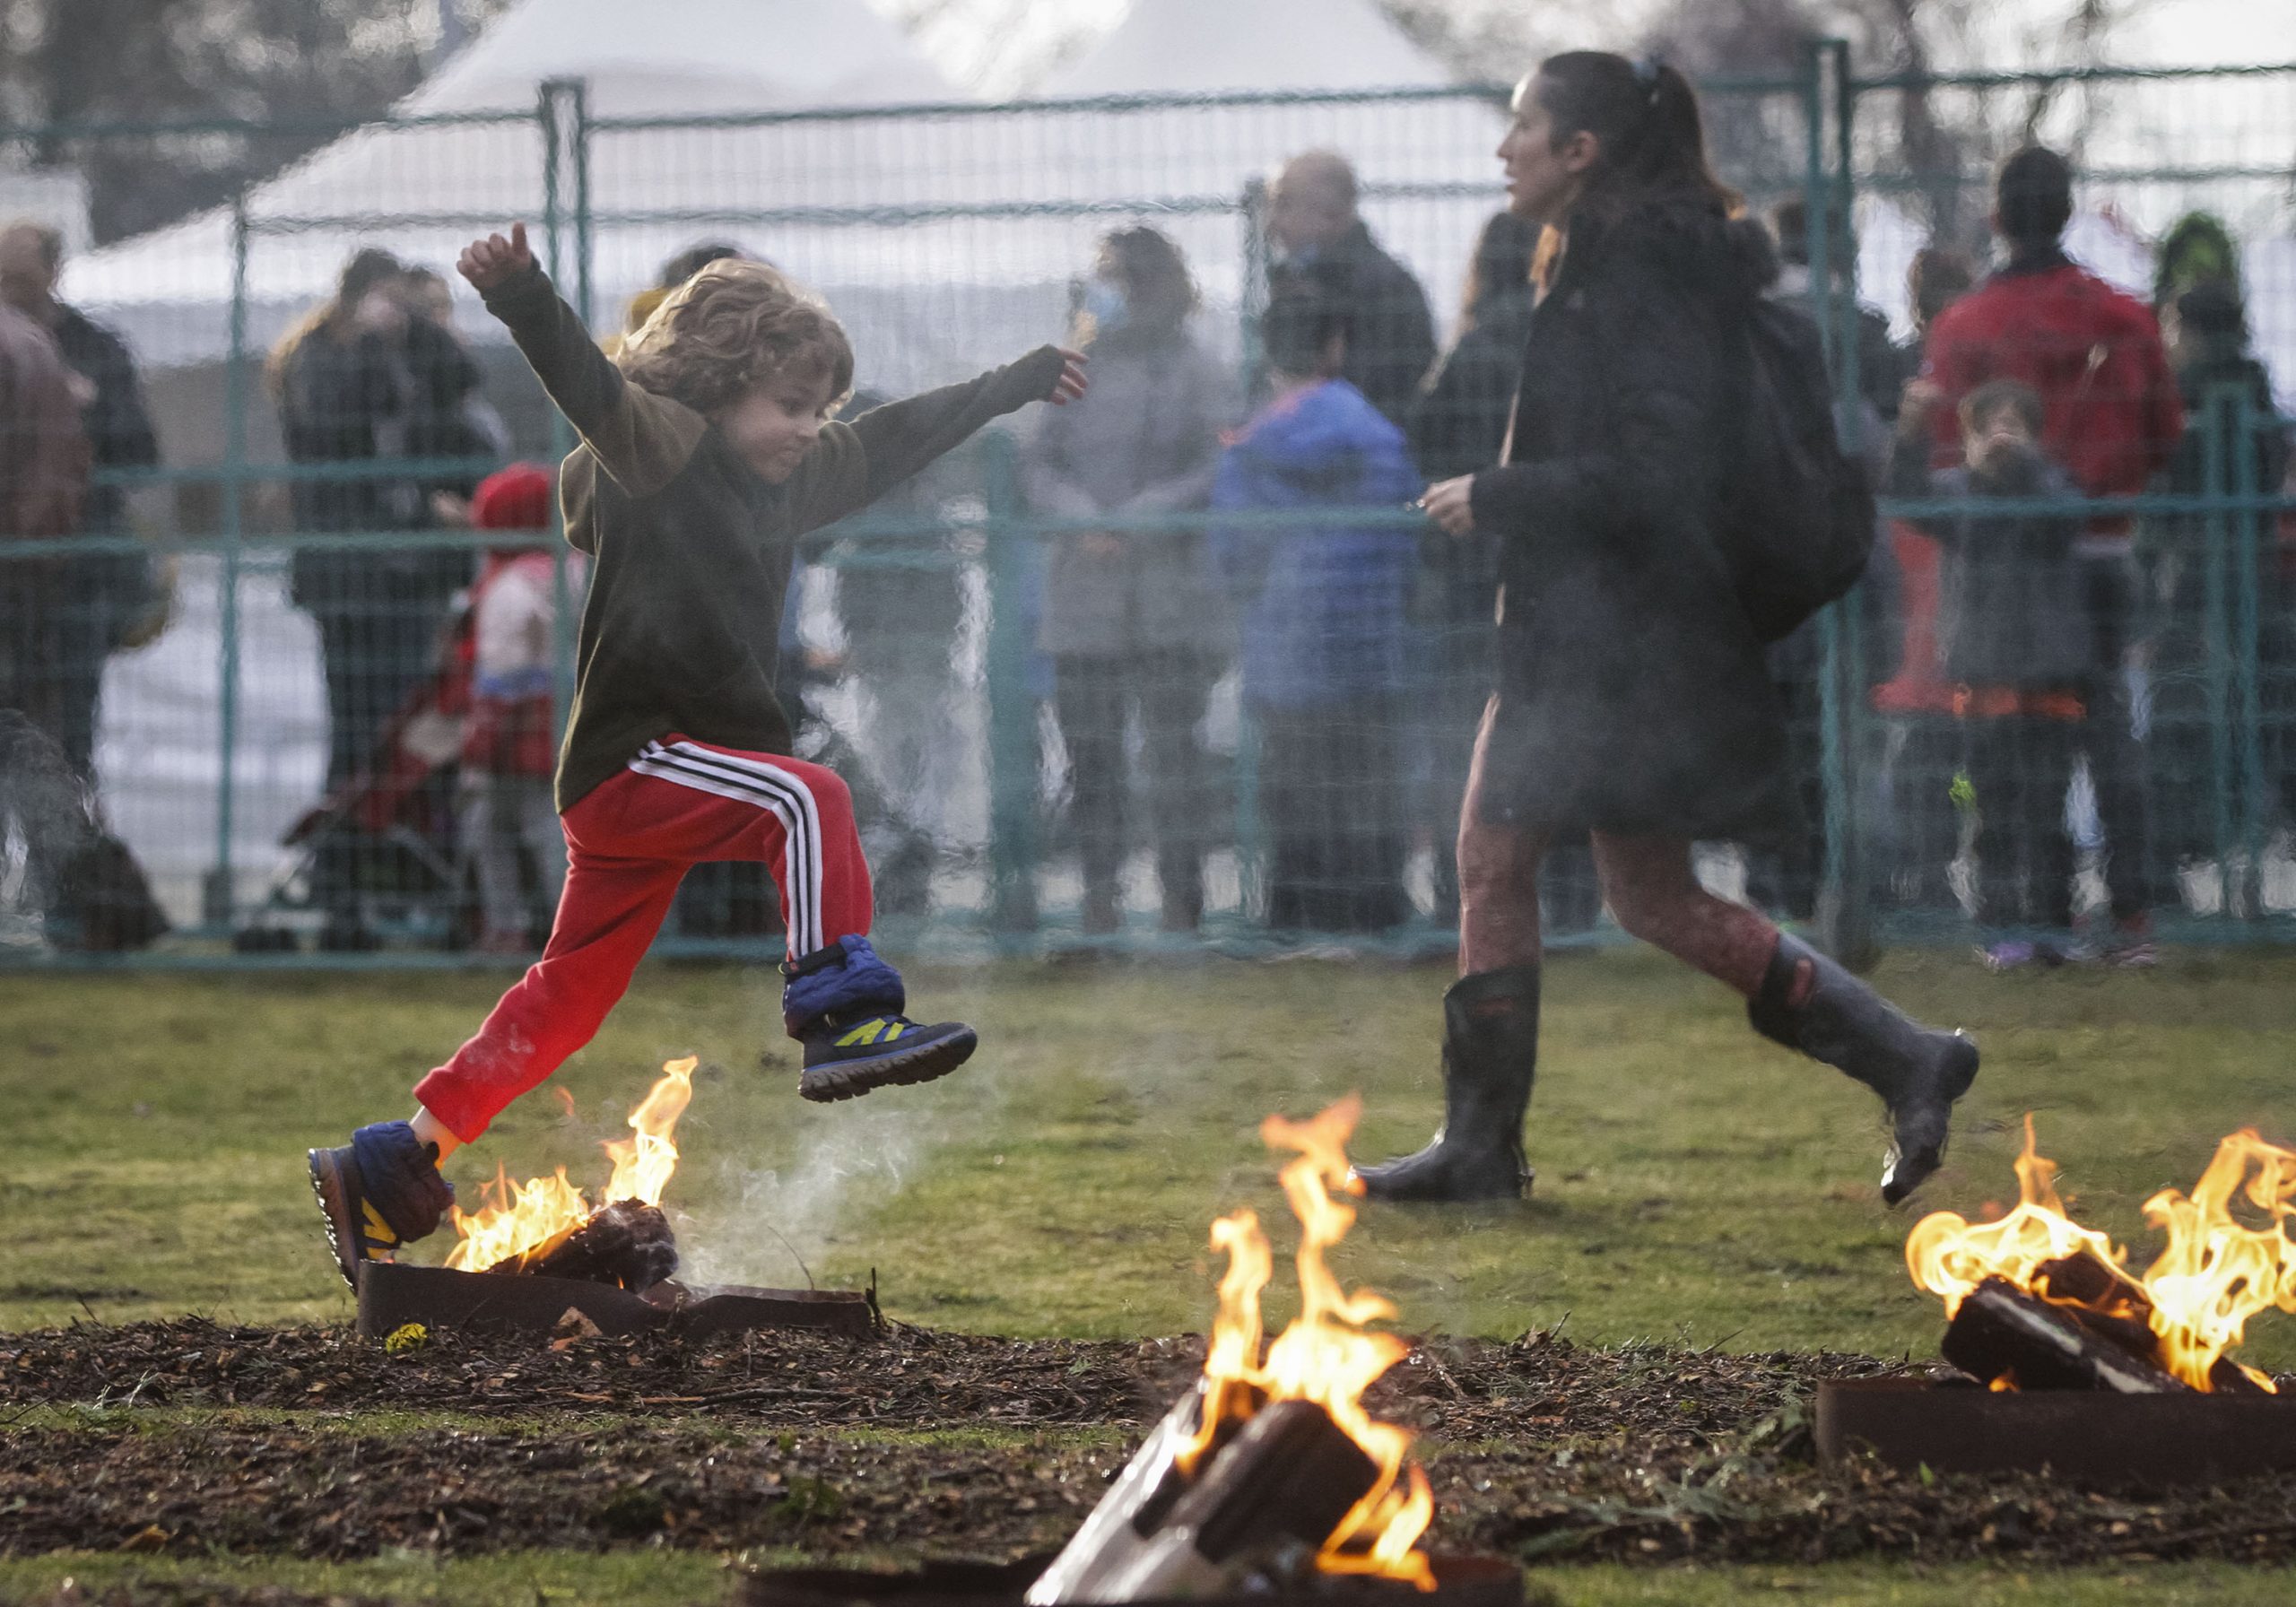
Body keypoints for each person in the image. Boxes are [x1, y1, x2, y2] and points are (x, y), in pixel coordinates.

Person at [305, 223, 1087, 1284]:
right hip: (641, 757)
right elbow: (593, 388)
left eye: (820, 409)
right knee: (807, 800)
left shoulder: (794, 475)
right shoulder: (659, 452)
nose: (808, 430)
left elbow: (901, 432)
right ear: (717, 392)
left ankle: (394, 1163)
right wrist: (522, 293)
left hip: (657, 779)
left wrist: (1015, 382)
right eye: (786, 408)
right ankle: (840, 1012)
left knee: (565, 1000)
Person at [1354, 51, 1977, 1207]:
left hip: (1620, 638)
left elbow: (1655, 473)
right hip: (1599, 630)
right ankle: (1901, 1055)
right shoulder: (1608, 253)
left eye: (1521, 127)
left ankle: (1488, 1146)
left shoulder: (1637, 264)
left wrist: (1501, 497)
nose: (1503, 149)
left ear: (1579, 152)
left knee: (1532, 867)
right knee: (1623, 889)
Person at [1920, 146, 2184, 960]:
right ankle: (2132, 912)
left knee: (2011, 758)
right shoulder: (2122, 316)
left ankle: (2030, 913)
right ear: (2067, 211)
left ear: (1997, 218)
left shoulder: (1964, 326)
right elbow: (2162, 434)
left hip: (2001, 574)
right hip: (2103, 549)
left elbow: (1938, 454)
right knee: (2112, 742)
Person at [272, 248, 487, 948]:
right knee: (358, 736)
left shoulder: (408, 355)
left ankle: (389, 886)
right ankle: (342, 891)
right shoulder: (316, 359)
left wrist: (417, 329)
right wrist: (365, 337)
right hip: (350, 581)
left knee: (403, 736)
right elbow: (335, 429)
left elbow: (461, 385)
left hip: (410, 573)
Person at [1024, 226, 1234, 934]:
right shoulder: (1070, 367)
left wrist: (1147, 515)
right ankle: (1100, 899)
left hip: (1172, 598)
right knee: (1093, 758)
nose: (1102, 291)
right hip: (1083, 597)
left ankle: (1184, 901)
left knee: (1176, 755)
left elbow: (1219, 462)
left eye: (1115, 277)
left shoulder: (1198, 369)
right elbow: (1037, 463)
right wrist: (1081, 515)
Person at [1406, 213, 1598, 936]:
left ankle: (1461, 903)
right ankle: (1576, 904)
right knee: (1563, 741)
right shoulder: (1580, 345)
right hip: (1565, 578)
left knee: (1468, 745)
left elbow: (1425, 446)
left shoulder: (1473, 350)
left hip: (1471, 581)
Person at [1214, 284, 1421, 932]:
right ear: (1336, 344)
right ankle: (1374, 909)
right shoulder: (1374, 431)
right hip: (1368, 638)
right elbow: (1404, 523)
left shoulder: (1252, 443)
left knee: (1293, 785)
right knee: (1369, 781)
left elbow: (1233, 550)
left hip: (1285, 642)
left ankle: (1296, 912)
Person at [1892, 379, 2093, 965]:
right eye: (1988, 426)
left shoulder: (2055, 485)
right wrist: (1911, 431)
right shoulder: (1956, 493)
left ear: (2035, 436)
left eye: (2015, 424)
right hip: (1980, 677)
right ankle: (2003, 930)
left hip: (2050, 677)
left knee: (2049, 813)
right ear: (1968, 436)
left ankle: (2055, 930)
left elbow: (2061, 524)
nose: (2002, 434)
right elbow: (1904, 496)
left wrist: (2021, 469)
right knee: (1995, 814)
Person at [2140, 275, 2292, 907]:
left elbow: (2162, 498)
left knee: (2185, 712)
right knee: (2260, 710)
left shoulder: (2177, 404)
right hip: (2257, 575)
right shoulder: (2262, 401)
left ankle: (2188, 849)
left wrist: (2149, 565)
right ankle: (2256, 852)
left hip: (2190, 579)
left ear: (2189, 330)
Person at [0, 221, 161, 781]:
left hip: (77, 569)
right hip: (10, 569)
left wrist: (85, 410)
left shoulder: (96, 349)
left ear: (52, 273)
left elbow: (142, 457)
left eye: (22, 278)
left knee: (67, 723)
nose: (12, 293)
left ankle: (64, 847)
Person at [1872, 246, 1979, 911]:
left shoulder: (1897, 367)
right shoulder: (1976, 359)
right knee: (1947, 712)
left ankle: (1915, 865)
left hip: (1910, 544)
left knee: (1915, 717)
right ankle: (1938, 864)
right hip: (1962, 539)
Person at [457, 463, 583, 953]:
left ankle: (507, 925)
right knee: (551, 827)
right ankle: (568, 930)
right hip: (570, 712)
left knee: (494, 823)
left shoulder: (507, 585)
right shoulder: (574, 568)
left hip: (515, 721)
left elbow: (500, 664)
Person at [1265, 151, 1437, 428]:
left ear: (1330, 211)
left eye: (1284, 204)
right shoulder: (1306, 282)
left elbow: (1378, 395)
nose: (1272, 223)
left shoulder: (1382, 288)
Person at [0, 294, 91, 766]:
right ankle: (52, 832)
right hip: (36, 553)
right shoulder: (33, 341)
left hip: (15, 542)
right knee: (30, 714)